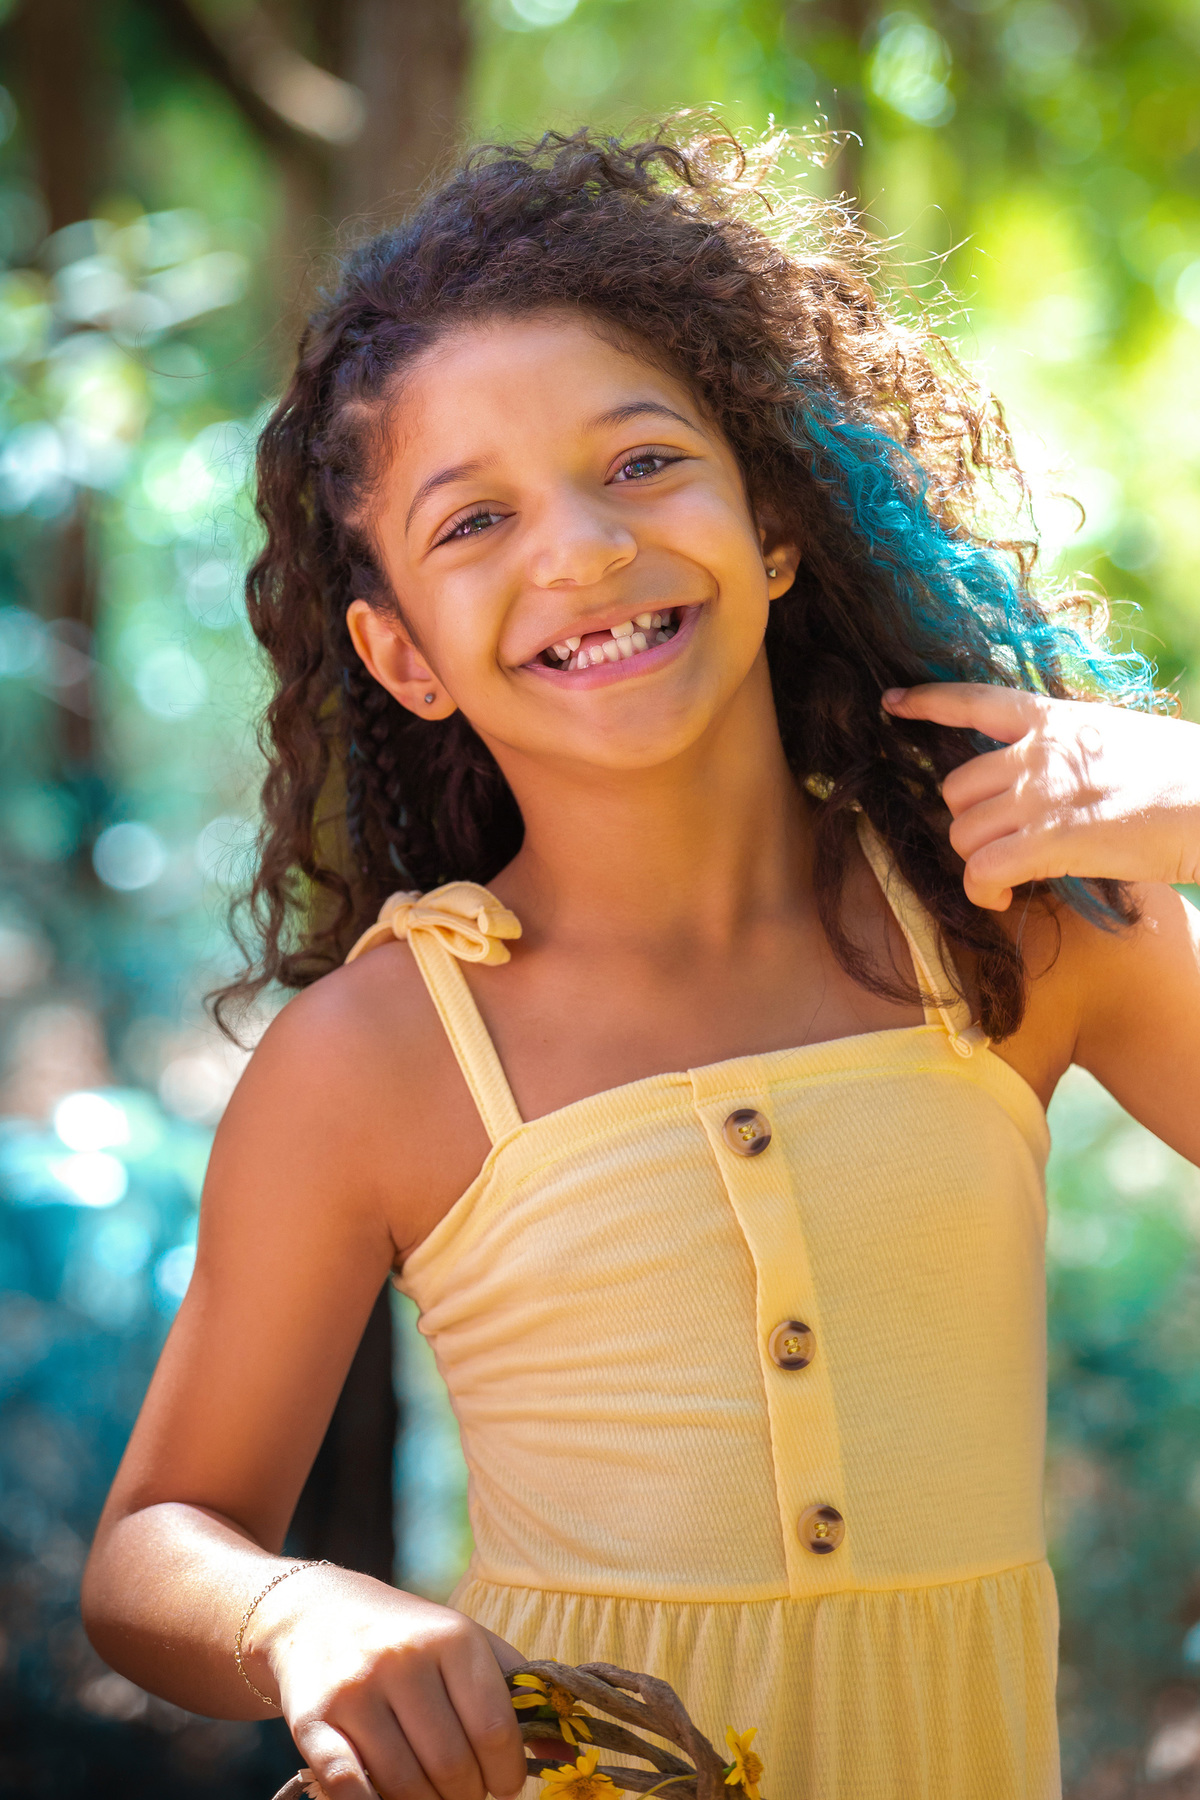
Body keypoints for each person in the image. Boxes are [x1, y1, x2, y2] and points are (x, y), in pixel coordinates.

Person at [81, 125, 1200, 1800]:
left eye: (642, 464)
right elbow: (154, 1550)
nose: (583, 552)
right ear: (401, 654)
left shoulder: (1022, 923)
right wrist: (302, 1614)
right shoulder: (380, 1056)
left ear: (772, 524)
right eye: (474, 524)